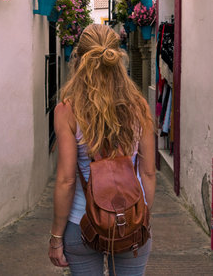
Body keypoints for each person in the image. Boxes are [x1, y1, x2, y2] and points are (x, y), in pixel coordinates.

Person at [48, 24, 156, 276]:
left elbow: (66, 180)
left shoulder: (67, 110)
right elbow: (148, 173)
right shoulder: (139, 107)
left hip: (82, 223)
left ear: (78, 60)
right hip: (130, 221)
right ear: (117, 58)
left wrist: (55, 237)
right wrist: (141, 219)